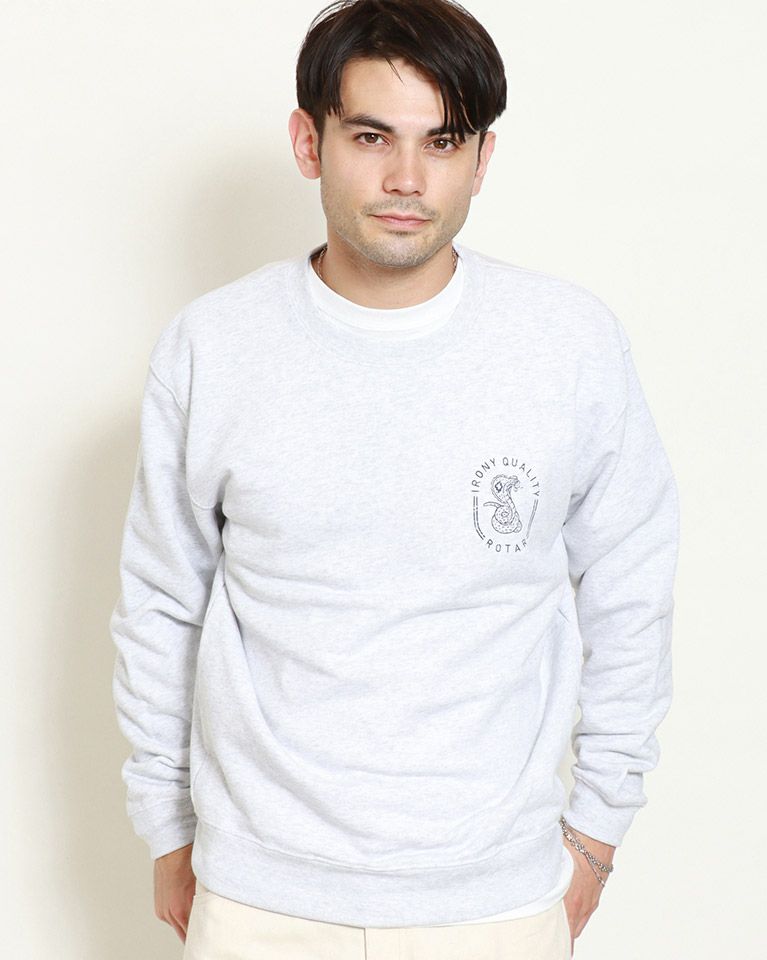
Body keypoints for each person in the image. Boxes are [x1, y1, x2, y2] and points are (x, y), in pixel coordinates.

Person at [109, 1, 680, 957]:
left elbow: (632, 589)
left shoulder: (568, 345)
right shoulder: (215, 346)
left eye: (442, 142)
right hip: (259, 895)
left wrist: (597, 834)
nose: (408, 179)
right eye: (372, 136)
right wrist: (167, 826)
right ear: (310, 142)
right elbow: (162, 601)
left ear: (482, 159)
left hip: (495, 898)